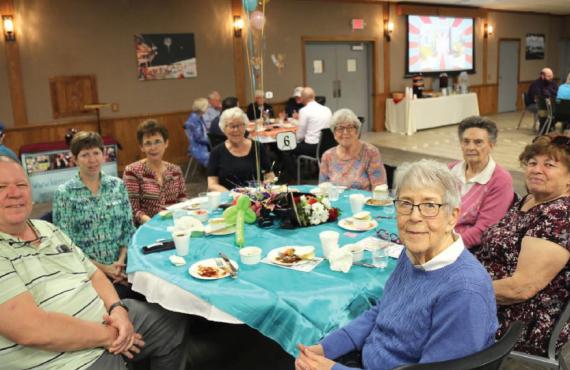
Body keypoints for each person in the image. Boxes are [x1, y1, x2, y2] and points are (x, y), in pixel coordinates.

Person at [296, 159, 498, 370]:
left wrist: (332, 369)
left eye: (430, 205)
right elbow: (383, 311)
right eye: (405, 203)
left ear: (452, 217)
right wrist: (327, 348)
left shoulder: (464, 292)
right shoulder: (412, 253)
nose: (414, 216)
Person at [0, 155, 188, 370]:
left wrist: (118, 310)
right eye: (2, 186)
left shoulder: (47, 229)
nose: (14, 193)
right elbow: (32, 329)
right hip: (66, 360)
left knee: (170, 324)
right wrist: (109, 336)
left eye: (21, 184)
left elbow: (93, 274)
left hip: (106, 320)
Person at [476, 135, 570, 356]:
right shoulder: (530, 200)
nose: (537, 169)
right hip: (491, 297)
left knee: (419, 311)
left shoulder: (559, 215)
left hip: (519, 320)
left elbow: (520, 289)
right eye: (532, 163)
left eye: (549, 165)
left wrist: (459, 290)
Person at [52, 132, 137, 300]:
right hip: (87, 272)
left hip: (122, 266)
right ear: (75, 159)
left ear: (103, 155)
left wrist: (120, 263)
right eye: (85, 155)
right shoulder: (65, 193)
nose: (92, 160)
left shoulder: (117, 186)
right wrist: (104, 269)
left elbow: (128, 229)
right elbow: (65, 244)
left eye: (96, 153)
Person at [448, 116, 514, 249]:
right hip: (438, 237)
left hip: (467, 248)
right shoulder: (449, 170)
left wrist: (446, 247)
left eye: (478, 142)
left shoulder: (500, 180)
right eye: (466, 141)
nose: (470, 147)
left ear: (491, 145)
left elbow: (483, 230)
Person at [123, 120, 187, 226]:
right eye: (148, 143)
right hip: (147, 228)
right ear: (141, 147)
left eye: (157, 141)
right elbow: (133, 209)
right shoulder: (133, 171)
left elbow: (183, 200)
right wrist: (153, 224)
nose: (153, 147)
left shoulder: (175, 171)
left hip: (175, 225)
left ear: (166, 143)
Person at [208, 107, 275, 191]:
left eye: (239, 125)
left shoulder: (257, 147)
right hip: (229, 200)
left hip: (257, 198)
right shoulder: (216, 152)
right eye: (232, 126)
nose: (236, 130)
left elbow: (270, 175)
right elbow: (212, 184)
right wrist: (231, 195)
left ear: (245, 126)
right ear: (224, 129)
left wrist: (265, 186)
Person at [319, 108, 387, 191]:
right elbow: (322, 189)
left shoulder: (370, 153)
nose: (345, 132)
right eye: (340, 128)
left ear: (357, 131)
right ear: (334, 133)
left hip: (364, 203)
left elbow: (379, 189)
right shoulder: (327, 156)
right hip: (334, 203)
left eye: (350, 127)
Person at [296, 87, 332, 157]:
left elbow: (300, 136)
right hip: (327, 146)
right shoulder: (327, 109)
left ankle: (292, 168)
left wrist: (294, 137)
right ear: (314, 96)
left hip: (312, 147)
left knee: (286, 148)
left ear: (302, 98)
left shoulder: (304, 111)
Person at [184, 97, 210, 167]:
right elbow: (199, 138)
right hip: (198, 148)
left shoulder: (197, 117)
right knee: (220, 153)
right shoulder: (194, 121)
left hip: (200, 145)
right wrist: (212, 141)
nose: (208, 108)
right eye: (207, 107)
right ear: (202, 108)